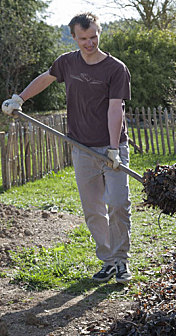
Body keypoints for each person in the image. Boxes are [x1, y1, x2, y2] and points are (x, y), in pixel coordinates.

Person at [2, 12, 133, 284]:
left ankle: (121, 261)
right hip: (81, 147)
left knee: (119, 204)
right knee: (94, 209)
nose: (89, 43)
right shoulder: (67, 63)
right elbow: (46, 77)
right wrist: (20, 98)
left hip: (112, 147)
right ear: (73, 37)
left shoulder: (116, 68)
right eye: (83, 38)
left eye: (94, 36)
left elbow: (114, 110)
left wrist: (113, 149)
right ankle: (108, 262)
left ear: (100, 32)